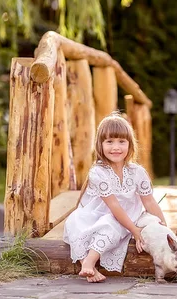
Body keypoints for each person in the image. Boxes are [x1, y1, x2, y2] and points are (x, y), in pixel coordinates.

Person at [63, 112, 167, 283]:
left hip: (124, 219)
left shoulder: (137, 172)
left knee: (117, 226)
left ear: (130, 144)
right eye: (109, 142)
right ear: (100, 144)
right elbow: (114, 206)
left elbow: (149, 201)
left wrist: (165, 229)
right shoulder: (98, 172)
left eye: (121, 142)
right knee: (91, 225)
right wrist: (135, 230)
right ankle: (88, 262)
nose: (116, 147)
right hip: (95, 216)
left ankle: (87, 266)